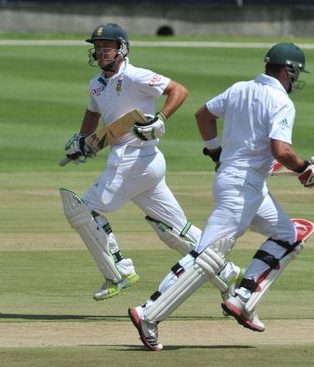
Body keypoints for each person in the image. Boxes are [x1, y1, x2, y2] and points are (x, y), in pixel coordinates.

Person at [128, 42, 314, 351]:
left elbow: (203, 115)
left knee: (288, 235)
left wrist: (215, 151)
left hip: (240, 183)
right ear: (287, 70)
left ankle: (244, 297)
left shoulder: (240, 89)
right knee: (208, 256)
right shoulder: (280, 101)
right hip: (241, 190)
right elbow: (281, 150)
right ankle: (149, 312)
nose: (295, 78)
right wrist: (304, 170)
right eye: (295, 72)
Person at [59, 23, 241, 302]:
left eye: (106, 47)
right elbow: (92, 113)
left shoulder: (136, 76)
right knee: (175, 231)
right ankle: (225, 270)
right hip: (144, 165)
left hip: (133, 161)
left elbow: (179, 90)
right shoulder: (96, 85)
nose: (100, 52)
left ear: (121, 49)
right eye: (97, 48)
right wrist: (83, 141)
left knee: (84, 211)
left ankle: (119, 270)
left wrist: (161, 118)